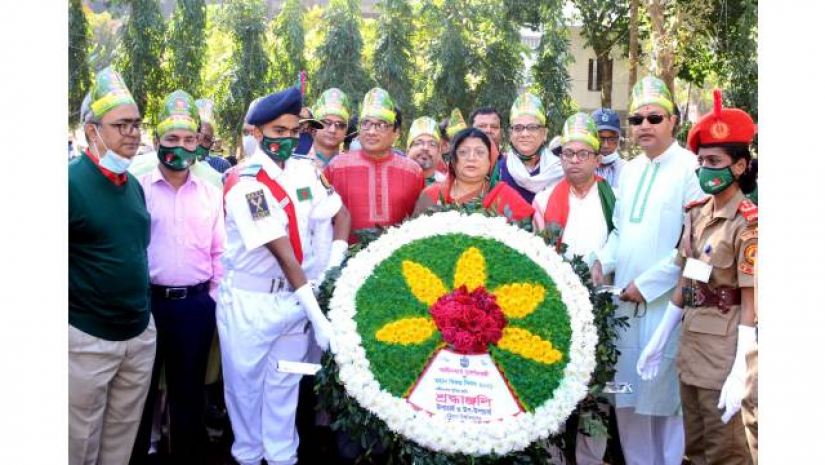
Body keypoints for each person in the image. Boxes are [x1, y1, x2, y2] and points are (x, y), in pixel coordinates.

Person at [219, 86, 350, 465]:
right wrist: (318, 316)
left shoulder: (307, 171)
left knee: (284, 391)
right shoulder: (245, 184)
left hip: (295, 300)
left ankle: (282, 458)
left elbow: (340, 215)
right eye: (279, 132)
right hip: (251, 303)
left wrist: (333, 265)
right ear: (257, 133)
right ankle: (247, 457)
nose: (289, 139)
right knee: (246, 395)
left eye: (295, 131)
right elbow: (282, 253)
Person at [636, 90, 758, 465]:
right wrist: (658, 338)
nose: (706, 169)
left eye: (715, 161)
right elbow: (688, 277)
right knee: (695, 450)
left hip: (726, 354)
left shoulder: (749, 224)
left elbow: (753, 302)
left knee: (728, 450)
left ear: (738, 166)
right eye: (702, 161)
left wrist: (743, 368)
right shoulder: (697, 213)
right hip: (691, 347)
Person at [588, 76, 704, 465]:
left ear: (673, 121)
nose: (645, 126)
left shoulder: (692, 169)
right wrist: (604, 262)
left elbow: (695, 247)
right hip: (624, 303)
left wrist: (649, 285)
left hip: (667, 308)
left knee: (667, 404)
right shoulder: (630, 171)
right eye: (637, 120)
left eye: (654, 117)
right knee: (628, 402)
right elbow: (620, 230)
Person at [129, 90, 226, 464]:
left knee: (189, 396)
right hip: (146, 304)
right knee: (139, 393)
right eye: (172, 139)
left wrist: (212, 298)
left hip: (195, 306)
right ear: (157, 141)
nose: (181, 147)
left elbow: (221, 250)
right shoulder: (137, 186)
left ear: (199, 141)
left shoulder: (210, 188)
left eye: (189, 139)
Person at [70, 67, 156, 465]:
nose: (133, 134)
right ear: (93, 131)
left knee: (120, 441)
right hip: (87, 338)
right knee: (77, 443)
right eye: (121, 125)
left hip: (138, 336)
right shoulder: (70, 183)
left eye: (137, 124)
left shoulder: (133, 184)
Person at [532, 113, 616, 464]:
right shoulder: (544, 199)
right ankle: (552, 457)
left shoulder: (614, 196)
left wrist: (602, 260)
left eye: (583, 154)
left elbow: (622, 236)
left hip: (603, 308)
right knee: (555, 386)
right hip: (556, 308)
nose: (575, 161)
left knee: (596, 388)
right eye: (568, 154)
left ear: (598, 158)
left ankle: (591, 458)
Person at [324, 88, 424, 243]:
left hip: (396, 260)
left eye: (381, 125)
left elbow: (419, 222)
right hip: (346, 261)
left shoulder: (413, 171)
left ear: (396, 132)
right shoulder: (335, 167)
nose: (371, 131)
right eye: (366, 123)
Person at [414, 127, 533, 222]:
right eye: (463, 152)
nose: (471, 158)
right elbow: (413, 239)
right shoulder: (431, 195)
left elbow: (527, 240)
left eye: (480, 152)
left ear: (489, 162)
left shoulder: (504, 196)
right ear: (453, 161)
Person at [496, 92, 564, 204]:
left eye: (532, 127)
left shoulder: (560, 170)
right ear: (510, 134)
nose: (525, 134)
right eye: (518, 128)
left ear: (545, 133)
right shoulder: (500, 170)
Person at [306, 88, 350, 168]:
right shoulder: (296, 162)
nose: (332, 130)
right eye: (326, 122)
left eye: (339, 125)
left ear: (346, 130)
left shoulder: (351, 167)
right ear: (314, 126)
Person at [591, 107, 627, 189]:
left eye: (612, 139)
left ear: (619, 139)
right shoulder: (582, 168)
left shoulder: (627, 170)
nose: (606, 145)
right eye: (600, 138)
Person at [194, 98, 232, 173]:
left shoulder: (220, 166)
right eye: (196, 136)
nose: (200, 141)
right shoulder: (175, 163)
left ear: (212, 144)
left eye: (206, 139)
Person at [407, 116, 446, 186]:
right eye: (418, 143)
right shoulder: (393, 180)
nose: (425, 148)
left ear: (439, 153)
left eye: (432, 144)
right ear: (408, 150)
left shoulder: (447, 186)